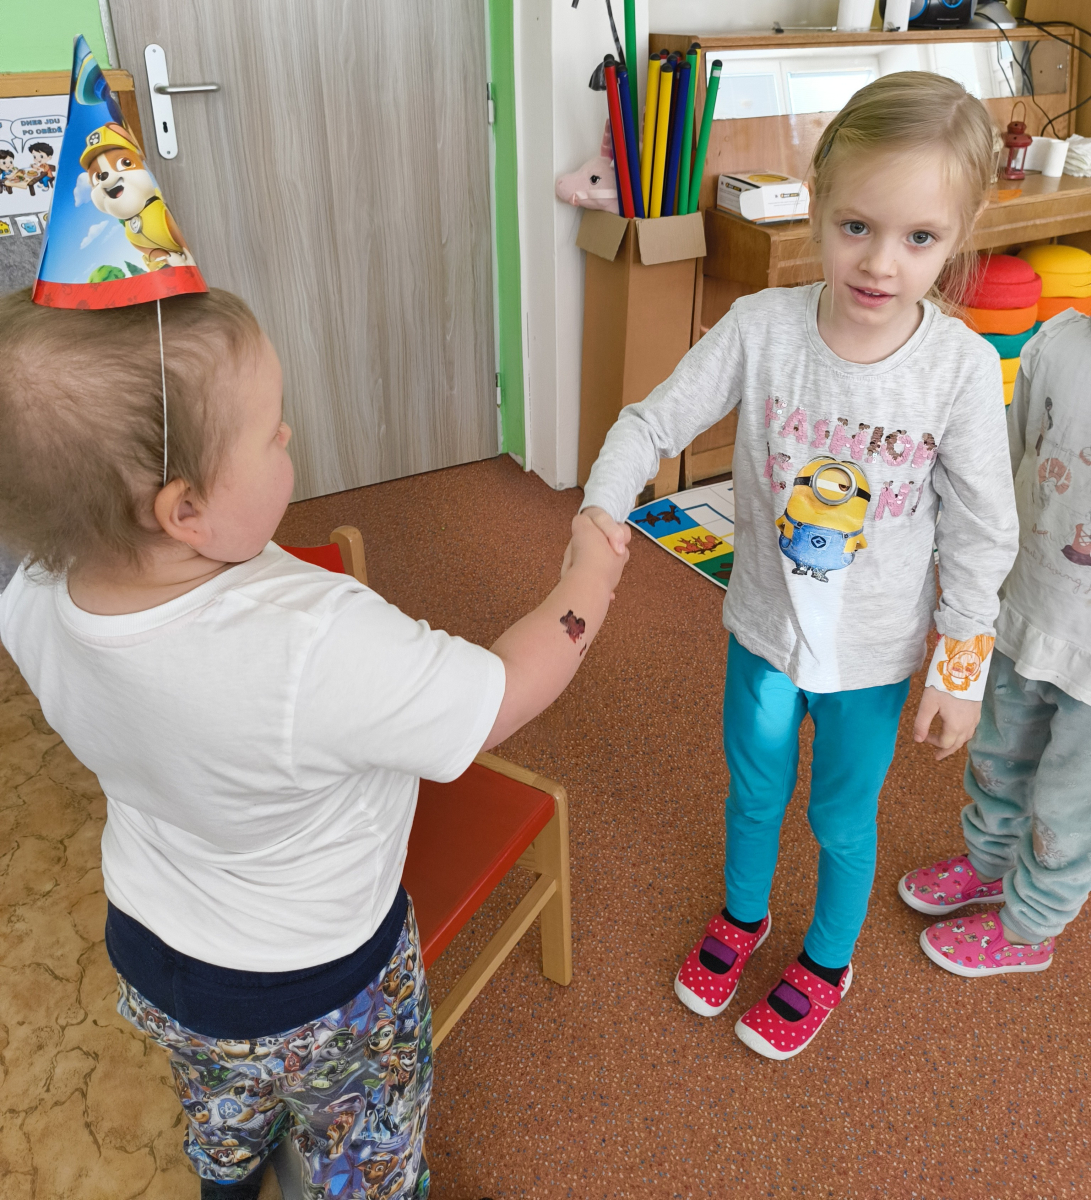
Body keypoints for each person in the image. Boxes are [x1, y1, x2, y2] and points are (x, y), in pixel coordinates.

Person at [0, 286, 629, 1198]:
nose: (288, 435)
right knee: (362, 1147)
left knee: (221, 1096)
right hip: (316, 988)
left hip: (149, 948)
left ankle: (229, 1173)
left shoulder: (29, 595)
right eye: (271, 431)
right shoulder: (310, 642)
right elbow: (494, 697)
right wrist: (589, 578)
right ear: (184, 510)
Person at [579, 72, 1018, 1060]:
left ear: (959, 236)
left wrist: (959, 665)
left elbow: (982, 529)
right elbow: (648, 422)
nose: (879, 263)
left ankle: (826, 960)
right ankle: (743, 914)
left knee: (840, 818)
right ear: (816, 203)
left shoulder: (955, 369)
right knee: (752, 793)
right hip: (763, 635)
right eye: (855, 226)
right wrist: (600, 507)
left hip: (872, 658)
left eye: (919, 238)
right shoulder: (762, 328)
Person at [900, 308, 1091, 977]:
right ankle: (987, 862)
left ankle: (1030, 926)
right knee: (996, 755)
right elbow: (1003, 467)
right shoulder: (1057, 342)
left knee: (1069, 806)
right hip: (1023, 608)